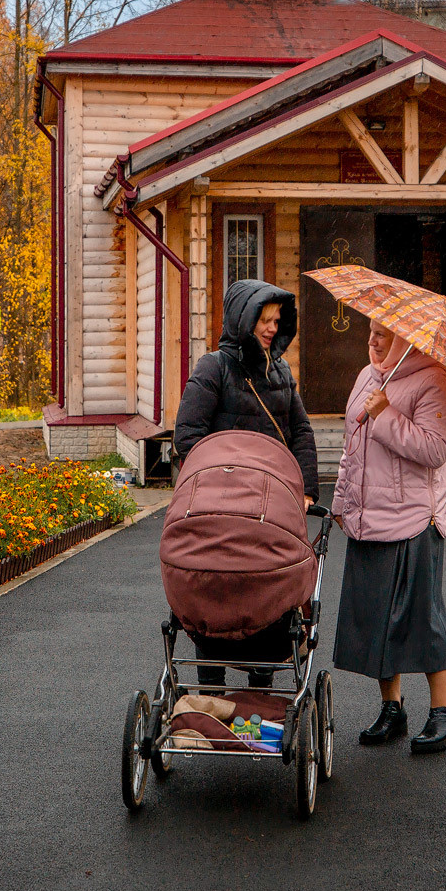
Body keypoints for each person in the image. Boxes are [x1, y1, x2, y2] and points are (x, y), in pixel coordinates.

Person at [172, 278, 318, 686]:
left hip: (268, 507)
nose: (272, 328)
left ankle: (261, 693)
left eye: (276, 320)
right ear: (243, 319)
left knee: (265, 587)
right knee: (216, 585)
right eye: (263, 319)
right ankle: (211, 691)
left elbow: (300, 432)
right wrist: (221, 477)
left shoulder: (281, 372)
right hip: (220, 503)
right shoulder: (214, 367)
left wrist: (305, 489)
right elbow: (188, 435)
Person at [329, 319, 446, 754]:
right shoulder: (367, 377)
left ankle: (444, 715)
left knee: (421, 619)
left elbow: (435, 450)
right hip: (369, 518)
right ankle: (393, 709)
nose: (371, 340)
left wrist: (386, 414)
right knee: (374, 618)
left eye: (382, 335)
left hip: (414, 520)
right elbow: (352, 448)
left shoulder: (434, 382)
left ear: (404, 340)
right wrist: (341, 502)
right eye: (370, 332)